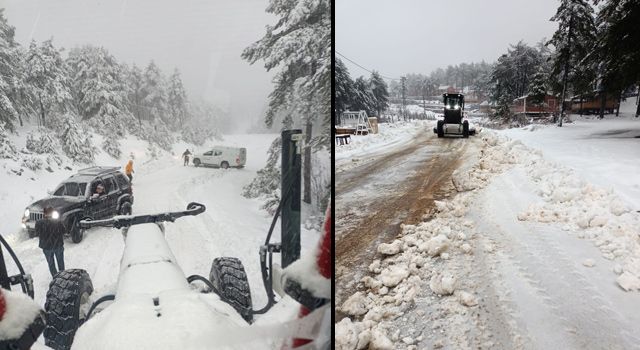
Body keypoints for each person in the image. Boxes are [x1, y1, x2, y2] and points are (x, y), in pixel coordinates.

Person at [36, 206, 65, 277]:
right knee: (60, 262)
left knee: (51, 263)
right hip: (57, 245)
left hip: (46, 247)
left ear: (44, 213)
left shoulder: (39, 223)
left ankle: (55, 277)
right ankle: (63, 276)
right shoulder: (57, 222)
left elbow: (37, 233)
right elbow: (64, 231)